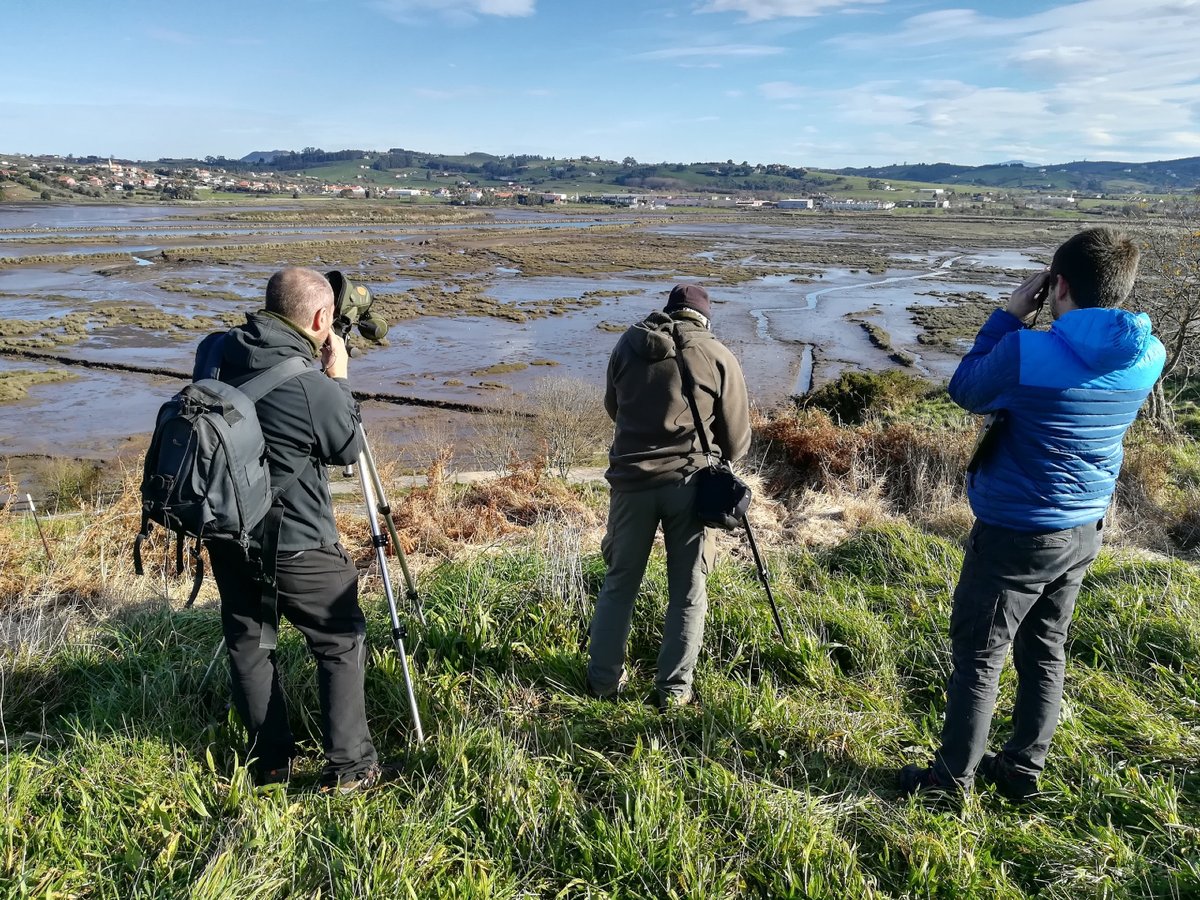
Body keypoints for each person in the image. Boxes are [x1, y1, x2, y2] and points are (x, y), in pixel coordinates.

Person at [899, 227, 1165, 800]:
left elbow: (966, 389)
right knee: (1046, 647)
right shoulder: (1150, 353)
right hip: (1085, 524)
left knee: (979, 657)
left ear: (1058, 284)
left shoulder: (1028, 351)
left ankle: (951, 783)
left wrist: (1009, 316)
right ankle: (1022, 768)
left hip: (1017, 529)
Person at [201, 266, 379, 792]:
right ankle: (351, 768)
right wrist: (339, 377)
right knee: (340, 641)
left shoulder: (215, 351)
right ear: (323, 318)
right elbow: (348, 447)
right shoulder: (308, 386)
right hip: (299, 542)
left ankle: (270, 765)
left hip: (228, 533)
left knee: (250, 646)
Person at [587, 283, 752, 710]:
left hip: (630, 484)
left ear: (668, 309)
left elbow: (614, 406)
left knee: (620, 584)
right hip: (690, 487)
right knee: (688, 590)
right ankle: (674, 692)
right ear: (703, 316)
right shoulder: (717, 355)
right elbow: (735, 444)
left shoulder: (627, 344)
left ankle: (603, 683)